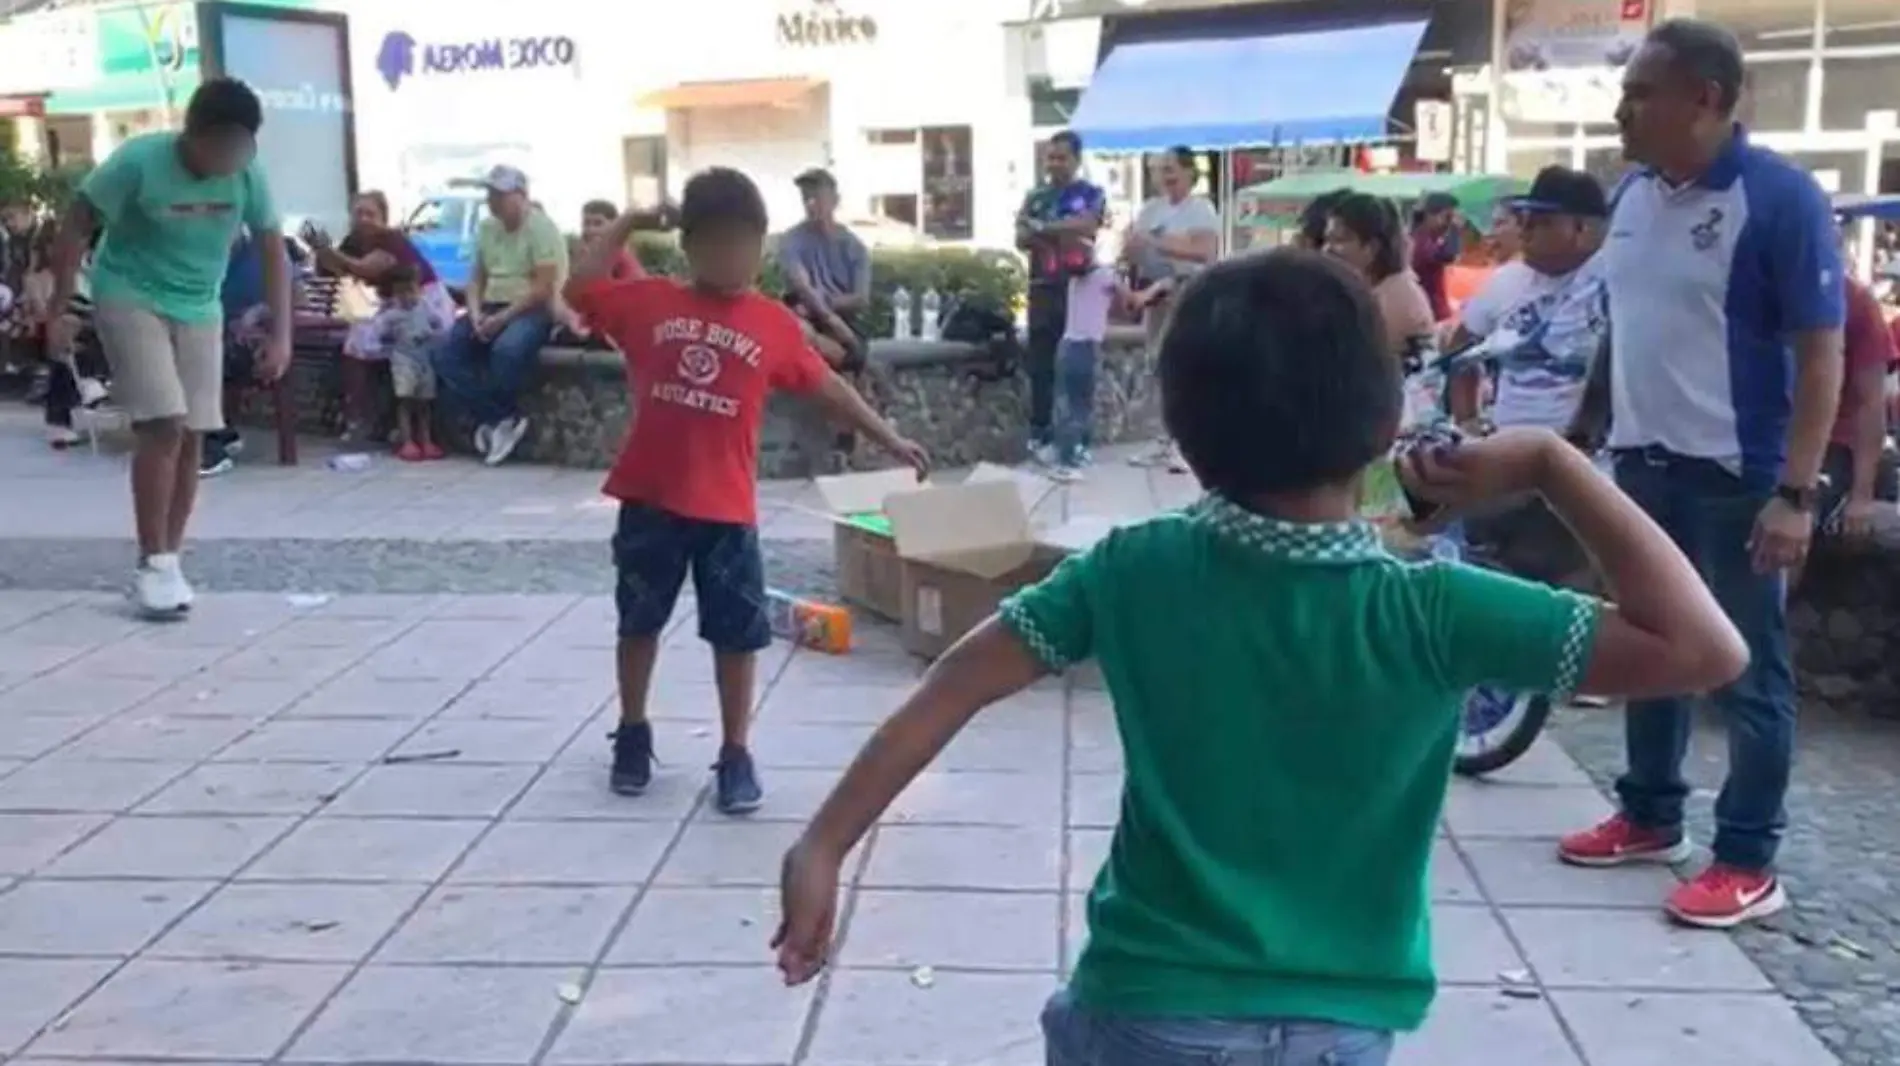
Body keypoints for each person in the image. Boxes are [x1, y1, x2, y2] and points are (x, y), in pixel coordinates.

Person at [771, 249, 1746, 1066]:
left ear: (1186, 442)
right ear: (1381, 428)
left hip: (1146, 1006)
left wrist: (822, 843)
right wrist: (1550, 464)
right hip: (1339, 1024)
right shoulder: (1437, 609)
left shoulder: (1132, 572)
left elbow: (951, 687)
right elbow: (1703, 648)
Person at [1560, 19, 1846, 929]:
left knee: (1748, 668)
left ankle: (1748, 856)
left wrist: (1797, 493)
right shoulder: (1636, 195)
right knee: (1651, 644)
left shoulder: (1780, 201)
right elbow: (1625, 326)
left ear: (1708, 101)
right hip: (1645, 466)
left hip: (1739, 476)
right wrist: (1585, 429)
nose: (1622, 110)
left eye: (1643, 92)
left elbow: (1823, 354)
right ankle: (1650, 813)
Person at [561, 167, 929, 815]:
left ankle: (735, 752)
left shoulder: (772, 324)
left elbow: (828, 386)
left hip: (726, 511)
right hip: (650, 500)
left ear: (760, 246)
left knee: (738, 637)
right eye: (715, 244)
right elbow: (582, 285)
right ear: (690, 247)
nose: (729, 257)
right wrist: (629, 222)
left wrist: (889, 436)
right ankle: (634, 732)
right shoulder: (648, 302)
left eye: (742, 244)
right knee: (638, 621)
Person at [45, 77, 290, 619]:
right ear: (192, 135)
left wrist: (282, 334)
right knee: (162, 422)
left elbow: (275, 251)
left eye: (239, 146)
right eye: (218, 145)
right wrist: (60, 306)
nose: (227, 158)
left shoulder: (249, 175)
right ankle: (152, 560)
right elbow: (76, 223)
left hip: (200, 304)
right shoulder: (138, 162)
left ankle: (170, 557)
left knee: (195, 430)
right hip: (129, 293)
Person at [1446, 167, 1612, 589]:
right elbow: (1459, 350)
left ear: (1583, 228)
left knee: (1577, 588)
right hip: (1507, 460)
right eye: (1524, 220)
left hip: (1589, 469)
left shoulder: (1615, 281)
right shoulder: (1507, 282)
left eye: (1542, 222)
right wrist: (1468, 420)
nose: (1526, 231)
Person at [431, 164, 567, 467]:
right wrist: (477, 314)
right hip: (492, 304)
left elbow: (543, 287)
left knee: (507, 351)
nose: (493, 201)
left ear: (521, 195)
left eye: (501, 195)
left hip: (531, 309)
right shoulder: (487, 228)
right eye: (490, 194)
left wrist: (503, 319)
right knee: (445, 353)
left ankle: (496, 420)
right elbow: (476, 277)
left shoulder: (541, 228)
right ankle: (500, 418)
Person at [306, 190, 450, 441]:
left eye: (370, 214)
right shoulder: (354, 241)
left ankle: (366, 418)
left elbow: (366, 268)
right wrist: (321, 251)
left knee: (365, 339)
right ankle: (361, 415)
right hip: (394, 308)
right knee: (358, 340)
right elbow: (331, 270)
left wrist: (329, 250)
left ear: (383, 217)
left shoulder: (391, 240)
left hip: (423, 304)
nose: (363, 219)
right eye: (358, 213)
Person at [1124, 146, 1219, 473]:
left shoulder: (1201, 210)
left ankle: (1185, 442)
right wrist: (1135, 248)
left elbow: (1205, 252)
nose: (1165, 176)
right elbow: (1135, 248)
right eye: (1159, 169)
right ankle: (1162, 440)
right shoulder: (1151, 209)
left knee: (1183, 364)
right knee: (1156, 364)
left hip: (1187, 289)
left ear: (1189, 172)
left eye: (1171, 169)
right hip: (1155, 290)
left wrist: (1157, 243)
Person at [1016, 131, 1107, 462]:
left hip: (1079, 291)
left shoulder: (1090, 194)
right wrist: (1053, 229)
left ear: (1076, 160)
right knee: (1041, 366)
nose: (1054, 164)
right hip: (1042, 288)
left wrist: (1043, 228)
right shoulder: (1035, 195)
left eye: (1061, 157)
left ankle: (1077, 440)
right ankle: (1040, 435)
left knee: (1077, 368)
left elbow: (1086, 226)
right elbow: (1021, 236)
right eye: (1050, 157)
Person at [1816, 272, 1897, 542]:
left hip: (1834, 441)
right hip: (1765, 434)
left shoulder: (1856, 301)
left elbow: (1871, 403)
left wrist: (1861, 495)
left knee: (1799, 504)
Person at [1324, 193, 1436, 365]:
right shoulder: (1372, 290)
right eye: (1327, 240)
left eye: (1340, 240)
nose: (1328, 250)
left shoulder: (1393, 298)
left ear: (1372, 247)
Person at [1050, 254, 1132, 484]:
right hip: (1084, 347)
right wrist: (1161, 286)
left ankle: (1073, 453)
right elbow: (1132, 301)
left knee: (1071, 403)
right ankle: (1066, 461)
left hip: (1067, 345)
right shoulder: (1105, 276)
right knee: (1078, 406)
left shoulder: (1075, 281)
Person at [778, 169, 871, 366]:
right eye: (806, 198)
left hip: (841, 319)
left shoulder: (855, 247)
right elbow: (801, 285)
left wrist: (826, 306)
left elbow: (860, 298)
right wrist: (826, 316)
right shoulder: (791, 240)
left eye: (817, 197)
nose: (811, 204)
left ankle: (848, 365)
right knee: (796, 327)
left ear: (835, 201)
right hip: (806, 319)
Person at [368, 264, 451, 462]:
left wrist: (431, 335)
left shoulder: (425, 308)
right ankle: (406, 441)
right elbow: (377, 334)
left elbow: (440, 325)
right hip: (403, 360)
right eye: (401, 292)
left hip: (423, 360)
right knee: (404, 400)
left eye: (411, 290)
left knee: (424, 402)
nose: (407, 296)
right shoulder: (391, 315)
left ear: (419, 290)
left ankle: (426, 439)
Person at [1411, 191, 1461, 322]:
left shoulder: (1424, 239)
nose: (1448, 224)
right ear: (1430, 215)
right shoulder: (1420, 241)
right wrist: (1455, 229)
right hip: (1428, 315)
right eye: (1447, 217)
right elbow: (1447, 255)